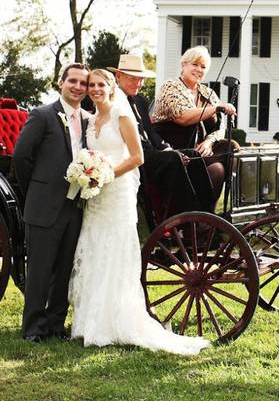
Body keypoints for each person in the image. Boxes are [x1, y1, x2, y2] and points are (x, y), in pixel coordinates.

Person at [68, 68, 210, 353]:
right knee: (95, 249)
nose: (95, 89)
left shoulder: (123, 117)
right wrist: (88, 173)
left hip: (117, 191)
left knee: (115, 251)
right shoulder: (92, 119)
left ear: (111, 87)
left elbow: (137, 157)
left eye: (100, 85)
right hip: (97, 196)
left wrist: (106, 174)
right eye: (91, 85)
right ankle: (89, 322)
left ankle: (117, 321)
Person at [12, 62, 90, 343]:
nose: (78, 87)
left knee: (65, 268)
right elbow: (21, 157)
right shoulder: (42, 115)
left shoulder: (88, 120)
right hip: (44, 205)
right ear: (61, 82)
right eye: (73, 81)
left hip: (76, 206)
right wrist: (37, 189)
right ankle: (33, 328)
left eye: (83, 83)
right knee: (40, 271)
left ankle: (56, 325)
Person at [107, 54, 204, 223]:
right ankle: (188, 218)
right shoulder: (112, 101)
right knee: (174, 158)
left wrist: (167, 148)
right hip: (133, 156)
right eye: (132, 78)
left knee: (193, 154)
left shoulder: (140, 101)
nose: (137, 83)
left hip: (151, 152)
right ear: (118, 76)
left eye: (140, 79)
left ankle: (206, 211)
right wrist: (170, 154)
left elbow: (151, 133)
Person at [152, 46, 238, 212]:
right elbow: (183, 116)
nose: (199, 70)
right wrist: (216, 108)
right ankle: (201, 218)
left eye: (203, 67)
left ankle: (218, 213)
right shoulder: (170, 87)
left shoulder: (208, 93)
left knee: (231, 147)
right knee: (217, 170)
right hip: (174, 152)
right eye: (195, 64)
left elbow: (220, 127)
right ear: (183, 65)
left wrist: (209, 142)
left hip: (199, 151)